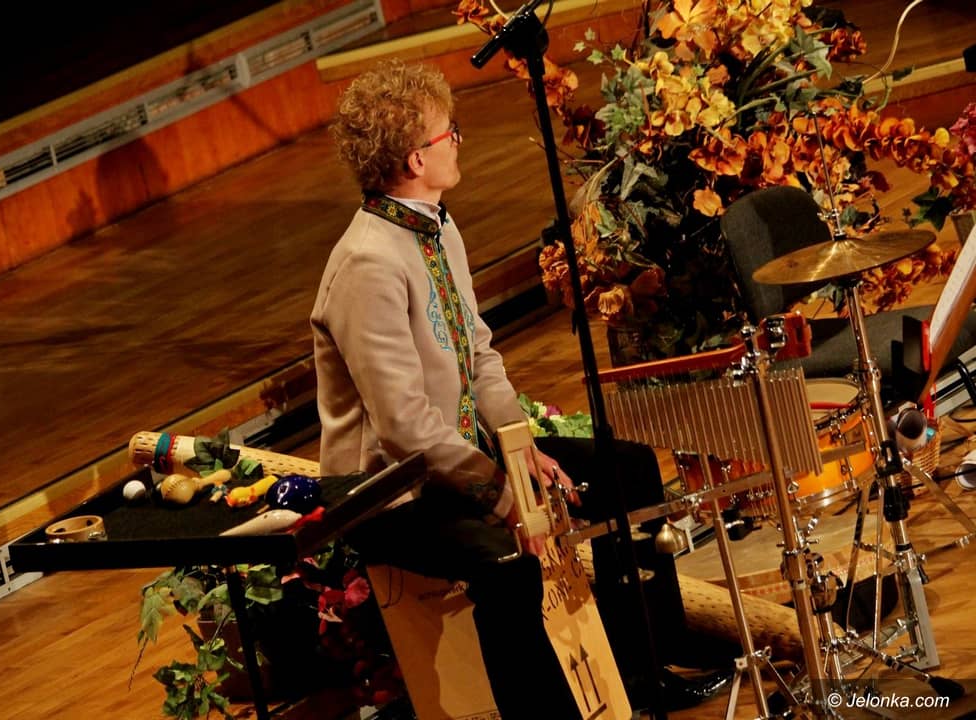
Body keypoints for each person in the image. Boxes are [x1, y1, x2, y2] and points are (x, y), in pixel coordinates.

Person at [311, 59, 727, 718]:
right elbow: (404, 426)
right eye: (449, 133)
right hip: (391, 493)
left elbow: (478, 352)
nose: (458, 142)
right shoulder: (368, 264)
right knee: (508, 560)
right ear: (415, 159)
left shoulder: (435, 225)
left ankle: (644, 670)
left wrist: (521, 448)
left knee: (627, 472)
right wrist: (506, 495)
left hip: (458, 458)